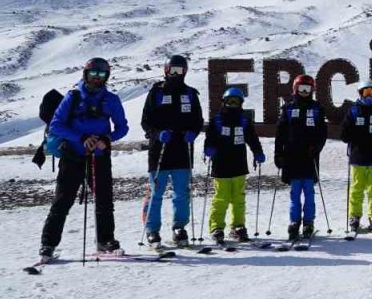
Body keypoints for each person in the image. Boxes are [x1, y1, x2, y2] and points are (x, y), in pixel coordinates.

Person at [38, 58, 130, 260]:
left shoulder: (112, 100)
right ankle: (48, 244)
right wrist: (81, 138)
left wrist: (107, 139)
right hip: (73, 156)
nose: (97, 78)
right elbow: (56, 125)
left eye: (101, 74)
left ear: (107, 76)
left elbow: (123, 127)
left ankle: (105, 240)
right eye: (93, 74)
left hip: (99, 157)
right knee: (62, 201)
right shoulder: (73, 97)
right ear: (86, 74)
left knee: (104, 200)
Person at [140, 54, 204, 247]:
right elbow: (146, 122)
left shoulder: (190, 94)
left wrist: (193, 132)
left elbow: (198, 120)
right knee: (156, 192)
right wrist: (157, 134)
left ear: (185, 72)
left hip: (182, 150)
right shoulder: (156, 92)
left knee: (182, 192)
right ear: (166, 70)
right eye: (172, 70)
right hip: (159, 150)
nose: (176, 74)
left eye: (180, 70)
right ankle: (152, 229)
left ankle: (179, 227)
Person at [203, 87, 264, 245]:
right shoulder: (217, 120)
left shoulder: (244, 121)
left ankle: (238, 226)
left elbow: (252, 138)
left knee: (238, 198)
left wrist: (258, 152)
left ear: (241, 104)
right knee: (221, 198)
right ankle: (216, 227)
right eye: (230, 101)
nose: (232, 104)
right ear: (224, 102)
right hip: (221, 166)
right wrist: (208, 149)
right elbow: (209, 139)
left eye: (236, 102)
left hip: (238, 165)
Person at [275, 74, 327, 242]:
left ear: (312, 90)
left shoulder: (317, 108)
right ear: (295, 89)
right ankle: (294, 221)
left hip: (309, 157)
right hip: (292, 157)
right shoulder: (288, 108)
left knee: (309, 192)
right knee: (295, 192)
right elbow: (280, 133)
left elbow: (322, 132)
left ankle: (308, 222)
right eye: (301, 89)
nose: (304, 92)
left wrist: (317, 148)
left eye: (308, 89)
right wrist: (278, 154)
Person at [339, 79, 372, 236]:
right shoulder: (353, 111)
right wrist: (352, 133)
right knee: (357, 188)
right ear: (360, 93)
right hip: (358, 157)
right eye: (366, 93)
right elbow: (344, 134)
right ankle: (354, 216)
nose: (368, 96)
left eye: (371, 93)